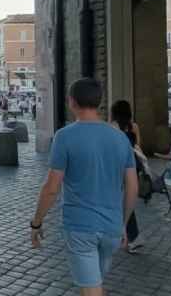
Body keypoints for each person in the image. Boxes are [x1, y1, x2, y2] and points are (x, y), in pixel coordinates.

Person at [31, 78, 138, 296]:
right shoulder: (120, 138)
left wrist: (37, 222)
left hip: (80, 227)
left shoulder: (64, 137)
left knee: (91, 289)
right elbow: (132, 187)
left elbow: (52, 187)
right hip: (111, 227)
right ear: (99, 103)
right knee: (94, 284)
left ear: (71, 102)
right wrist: (123, 224)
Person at [110, 100, 144, 254]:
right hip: (132, 166)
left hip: (117, 167)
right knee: (125, 200)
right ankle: (127, 235)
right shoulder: (134, 126)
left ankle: (133, 236)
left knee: (118, 201)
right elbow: (138, 146)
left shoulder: (112, 127)